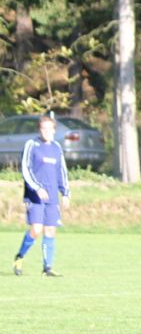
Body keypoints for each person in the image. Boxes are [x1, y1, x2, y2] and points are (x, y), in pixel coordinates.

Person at [14, 114, 70, 278]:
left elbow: (62, 172)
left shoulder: (57, 148)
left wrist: (65, 193)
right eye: (43, 128)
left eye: (49, 128)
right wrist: (37, 188)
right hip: (35, 196)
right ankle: (20, 256)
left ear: (54, 130)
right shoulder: (32, 145)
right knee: (36, 229)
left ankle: (47, 268)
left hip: (52, 197)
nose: (46, 131)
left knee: (50, 230)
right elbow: (25, 169)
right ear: (39, 130)